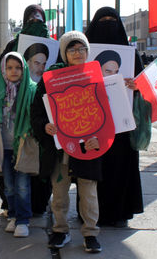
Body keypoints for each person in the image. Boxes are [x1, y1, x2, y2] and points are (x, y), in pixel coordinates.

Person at [30, 31, 102, 253]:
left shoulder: (96, 78)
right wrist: (45, 126)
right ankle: (60, 230)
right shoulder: (51, 80)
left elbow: (108, 115)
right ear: (64, 53)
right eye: (72, 49)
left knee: (88, 193)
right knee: (59, 192)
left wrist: (99, 138)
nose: (78, 53)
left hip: (87, 148)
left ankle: (90, 233)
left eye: (82, 49)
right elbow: (37, 112)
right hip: (60, 149)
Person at [85, 6, 144, 229]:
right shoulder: (84, 53)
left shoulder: (131, 55)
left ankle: (120, 211)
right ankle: (91, 213)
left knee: (121, 167)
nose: (107, 25)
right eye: (103, 21)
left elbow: (143, 86)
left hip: (123, 126)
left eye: (112, 20)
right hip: (92, 124)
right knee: (93, 170)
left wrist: (136, 86)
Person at [0, 4, 53, 216]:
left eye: (39, 17)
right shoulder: (14, 44)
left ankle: (38, 204)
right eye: (31, 17)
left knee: (39, 161)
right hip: (14, 114)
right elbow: (3, 72)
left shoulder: (53, 45)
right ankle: (10, 205)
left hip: (43, 114)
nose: (35, 21)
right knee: (13, 161)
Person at [0, 52, 37, 238]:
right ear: (3, 70)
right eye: (9, 68)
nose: (13, 71)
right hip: (4, 146)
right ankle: (13, 215)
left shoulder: (31, 90)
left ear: (23, 69)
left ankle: (23, 220)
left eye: (17, 67)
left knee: (23, 185)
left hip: (23, 145)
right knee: (8, 185)